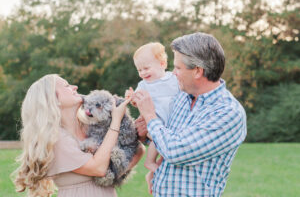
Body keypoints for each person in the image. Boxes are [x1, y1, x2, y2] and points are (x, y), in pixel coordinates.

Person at [133, 32, 247, 196]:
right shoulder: (181, 97)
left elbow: (175, 151)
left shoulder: (227, 113)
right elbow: (166, 136)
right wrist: (145, 133)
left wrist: (150, 116)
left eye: (178, 67)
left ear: (198, 71)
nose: (173, 73)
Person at [12, 74, 145, 197]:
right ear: (54, 100)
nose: (74, 87)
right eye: (66, 86)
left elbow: (138, 151)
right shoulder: (56, 138)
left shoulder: (92, 126)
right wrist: (116, 120)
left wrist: (137, 134)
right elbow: (98, 169)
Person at [125, 42, 179, 172]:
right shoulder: (143, 85)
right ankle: (149, 162)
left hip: (174, 121)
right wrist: (132, 97)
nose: (143, 73)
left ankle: (162, 164)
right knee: (156, 139)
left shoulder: (173, 79)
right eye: (139, 70)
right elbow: (136, 101)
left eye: (146, 68)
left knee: (170, 147)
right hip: (156, 121)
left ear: (162, 64)